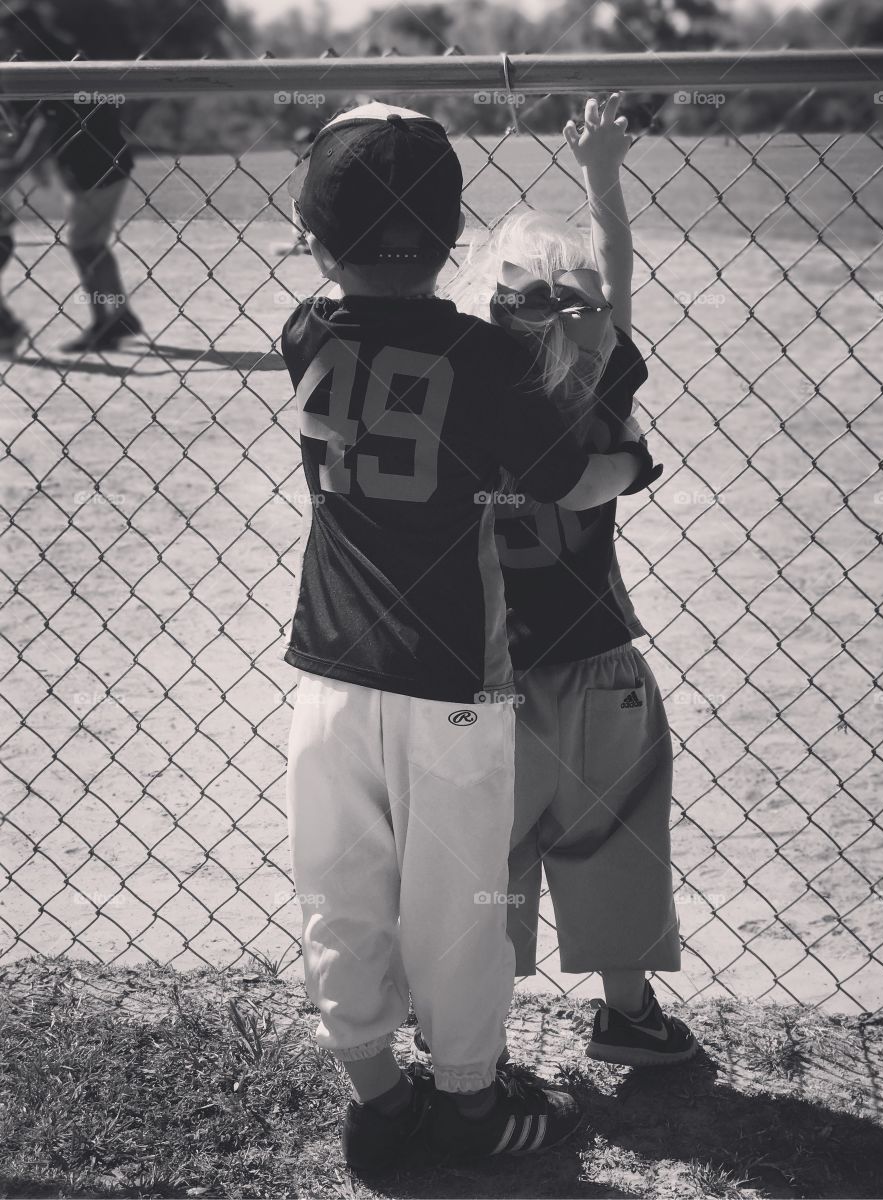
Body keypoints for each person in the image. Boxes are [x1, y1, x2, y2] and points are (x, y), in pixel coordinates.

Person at [280, 101, 659, 1170]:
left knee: (338, 881)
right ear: (453, 243)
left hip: (328, 675)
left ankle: (376, 1086)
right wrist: (635, 465)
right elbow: (575, 472)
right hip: (452, 678)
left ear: (313, 239)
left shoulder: (302, 332)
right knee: (459, 898)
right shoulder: (487, 363)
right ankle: (471, 1101)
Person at [444, 94, 699, 1065]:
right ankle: (627, 1014)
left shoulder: (463, 401)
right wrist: (602, 178)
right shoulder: (596, 403)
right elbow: (610, 299)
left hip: (476, 674)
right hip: (594, 662)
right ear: (589, 334)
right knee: (614, 835)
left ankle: (474, 1033)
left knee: (486, 856)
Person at [0, 1, 142, 354]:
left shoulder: (51, 62)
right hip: (102, 162)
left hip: (94, 166)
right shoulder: (61, 54)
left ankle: (104, 323)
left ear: (22, 32)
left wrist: (17, 165)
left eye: (8, 35)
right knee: (90, 244)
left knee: (83, 246)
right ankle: (120, 314)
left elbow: (45, 125)